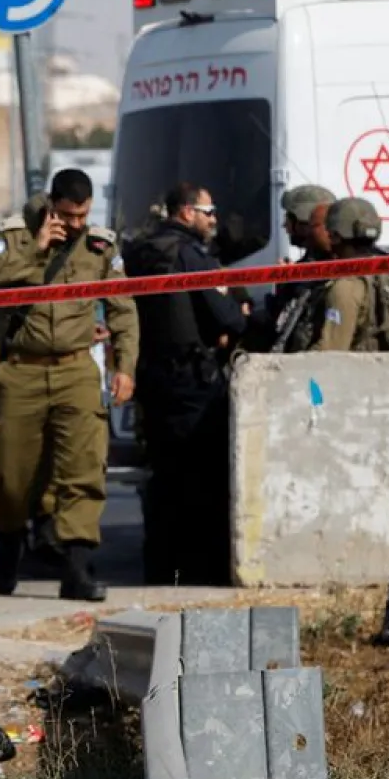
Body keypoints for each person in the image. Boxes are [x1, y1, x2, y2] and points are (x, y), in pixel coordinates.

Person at [0, 169, 137, 602]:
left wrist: (125, 367)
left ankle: (76, 569)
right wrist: (36, 251)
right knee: (8, 473)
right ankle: (10, 542)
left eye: (83, 214)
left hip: (77, 370)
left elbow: (123, 309)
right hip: (20, 370)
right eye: (68, 214)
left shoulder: (101, 246)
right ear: (51, 205)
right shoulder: (11, 235)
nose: (77, 223)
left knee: (82, 469)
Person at [122, 181, 246, 587]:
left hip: (152, 378)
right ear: (186, 212)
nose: (214, 220)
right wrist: (241, 315)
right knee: (200, 477)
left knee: (162, 476)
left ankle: (159, 566)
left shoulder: (140, 251)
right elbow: (225, 317)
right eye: (209, 211)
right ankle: (194, 569)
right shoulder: (190, 255)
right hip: (191, 381)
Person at [309, 196, 389, 352]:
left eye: (330, 233)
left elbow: (331, 353)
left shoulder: (347, 287)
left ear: (336, 236)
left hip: (357, 374)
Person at [242, 184, 337, 353]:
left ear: (304, 223)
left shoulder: (330, 268)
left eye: (289, 219)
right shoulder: (310, 263)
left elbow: (284, 323)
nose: (285, 226)